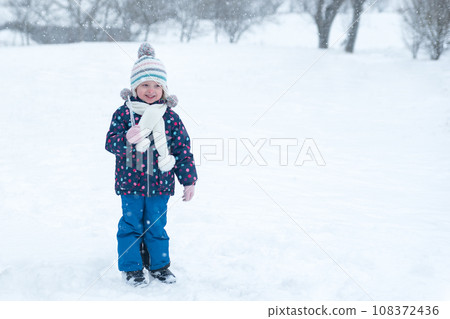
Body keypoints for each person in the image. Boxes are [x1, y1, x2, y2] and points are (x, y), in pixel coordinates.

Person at [105, 43, 197, 287]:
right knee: (131, 225)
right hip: (130, 183)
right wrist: (125, 138)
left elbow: (182, 150)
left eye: (157, 85)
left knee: (156, 226)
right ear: (135, 86)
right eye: (145, 84)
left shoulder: (170, 117)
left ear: (164, 89)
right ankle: (132, 267)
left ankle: (159, 265)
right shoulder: (125, 114)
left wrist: (188, 180)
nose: (151, 90)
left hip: (160, 184)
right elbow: (110, 142)